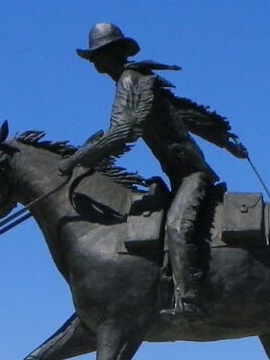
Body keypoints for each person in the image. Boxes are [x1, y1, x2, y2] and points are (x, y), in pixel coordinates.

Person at [57, 23, 248, 320]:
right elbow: (183, 113)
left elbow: (122, 131)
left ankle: (189, 299)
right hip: (176, 177)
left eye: (99, 54)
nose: (95, 61)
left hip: (191, 175)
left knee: (175, 227)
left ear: (114, 54)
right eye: (93, 55)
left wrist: (77, 160)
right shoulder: (142, 81)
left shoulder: (129, 80)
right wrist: (224, 139)